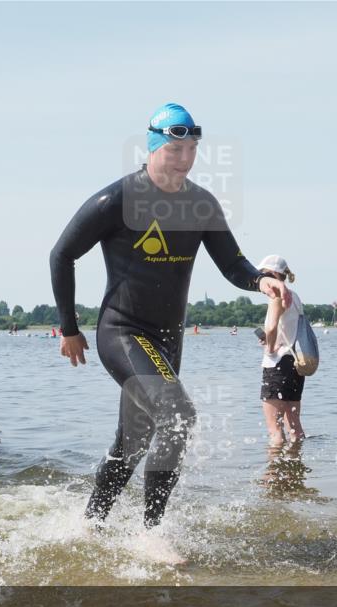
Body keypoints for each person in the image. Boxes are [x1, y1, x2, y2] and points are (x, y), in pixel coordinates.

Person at [50, 102, 289, 528]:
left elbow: (234, 265)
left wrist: (260, 281)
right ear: (154, 147)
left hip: (167, 340)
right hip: (121, 331)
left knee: (133, 444)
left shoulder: (201, 204)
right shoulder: (119, 198)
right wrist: (69, 328)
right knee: (178, 417)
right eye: (175, 149)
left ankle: (89, 525)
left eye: (192, 149)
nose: (184, 159)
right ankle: (152, 532)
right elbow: (62, 254)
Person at [257, 255, 306, 447]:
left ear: (274, 274)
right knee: (294, 427)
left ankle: (274, 476)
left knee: (274, 430)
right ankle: (295, 471)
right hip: (294, 363)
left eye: (264, 275)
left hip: (277, 363)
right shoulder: (295, 298)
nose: (262, 281)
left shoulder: (277, 296)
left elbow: (271, 327)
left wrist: (269, 349)